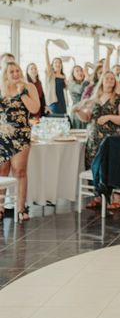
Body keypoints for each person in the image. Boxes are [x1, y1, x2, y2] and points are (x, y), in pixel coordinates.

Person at [73, 71, 120, 208]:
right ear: (102, 81)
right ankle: (97, 196)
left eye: (112, 78)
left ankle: (117, 198)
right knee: (94, 165)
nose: (109, 80)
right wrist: (78, 111)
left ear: (115, 82)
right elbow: (87, 118)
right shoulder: (94, 98)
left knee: (112, 166)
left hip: (112, 140)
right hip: (94, 140)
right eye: (107, 78)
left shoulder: (119, 99)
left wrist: (109, 117)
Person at [0, 63, 41, 222]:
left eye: (18, 70)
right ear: (6, 74)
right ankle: (1, 207)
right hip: (2, 136)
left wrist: (21, 93)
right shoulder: (1, 88)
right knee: (2, 172)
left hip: (21, 135)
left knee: (19, 171)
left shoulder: (28, 87)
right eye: (12, 72)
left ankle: (21, 208)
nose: (16, 74)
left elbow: (35, 108)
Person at [44, 40, 68, 115]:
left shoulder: (64, 76)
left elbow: (66, 89)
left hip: (63, 103)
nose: (58, 64)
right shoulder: (51, 75)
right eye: (55, 62)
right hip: (54, 102)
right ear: (52, 65)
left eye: (59, 62)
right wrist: (46, 49)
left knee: (63, 122)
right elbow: (47, 62)